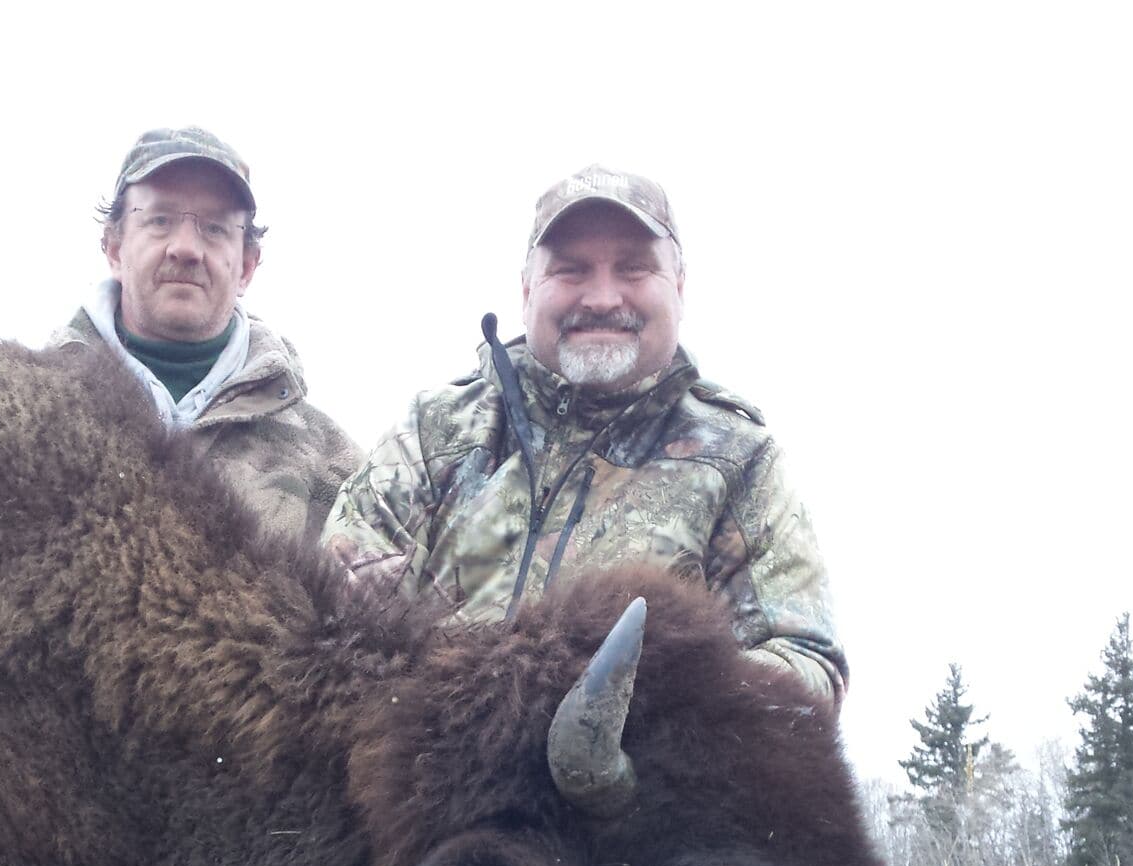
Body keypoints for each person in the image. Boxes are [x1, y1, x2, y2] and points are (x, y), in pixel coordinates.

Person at [323, 166, 846, 704]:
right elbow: (333, 622)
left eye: (634, 269)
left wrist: (636, 706)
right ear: (527, 289)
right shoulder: (433, 434)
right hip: (418, 773)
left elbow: (803, 672)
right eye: (571, 271)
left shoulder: (739, 459)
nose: (601, 297)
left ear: (680, 287)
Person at [54, 126, 358, 543]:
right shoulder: (22, 409)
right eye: (159, 220)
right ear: (114, 248)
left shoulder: (336, 469)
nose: (186, 248)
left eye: (214, 228)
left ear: (247, 266)